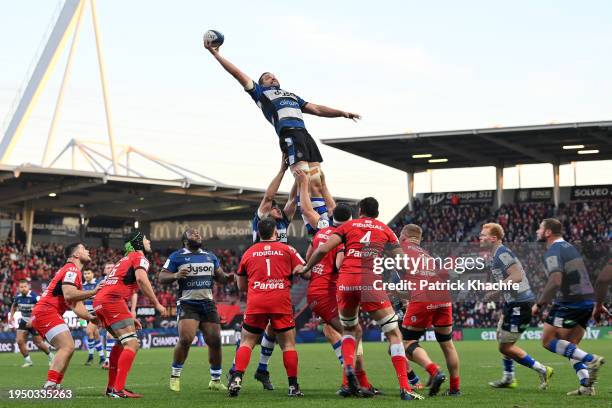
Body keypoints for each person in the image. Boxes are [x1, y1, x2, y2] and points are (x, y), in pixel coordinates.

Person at [204, 39, 359, 224]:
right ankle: (317, 227)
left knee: (318, 180)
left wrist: (341, 113)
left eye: (274, 75)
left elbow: (317, 109)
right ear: (262, 83)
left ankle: (333, 223)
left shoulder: (292, 96)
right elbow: (237, 73)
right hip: (290, 135)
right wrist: (216, 54)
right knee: (304, 180)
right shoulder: (260, 93)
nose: (273, 77)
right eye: (268, 77)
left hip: (305, 135)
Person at [298, 197, 424, 401]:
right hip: (370, 284)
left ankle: (349, 375)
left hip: (346, 283)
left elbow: (322, 249)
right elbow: (401, 262)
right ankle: (405, 387)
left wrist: (306, 267)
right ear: (377, 212)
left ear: (360, 210)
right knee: (393, 333)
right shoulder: (385, 229)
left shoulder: (348, 226)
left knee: (349, 331)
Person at [302, 203, 379, 397]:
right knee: (353, 331)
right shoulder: (342, 238)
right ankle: (348, 383)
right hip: (325, 294)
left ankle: (362, 382)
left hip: (318, 292)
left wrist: (310, 271)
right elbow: (339, 263)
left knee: (345, 331)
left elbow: (309, 256)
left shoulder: (322, 233)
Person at [237, 158, 298, 391]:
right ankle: (241, 369)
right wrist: (282, 170)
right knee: (253, 334)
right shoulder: (262, 221)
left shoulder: (283, 223)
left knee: (272, 329)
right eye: (274, 207)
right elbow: (268, 197)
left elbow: (293, 200)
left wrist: (299, 178)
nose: (276, 208)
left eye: (277, 209)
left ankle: (261, 369)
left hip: (278, 282)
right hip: (261, 279)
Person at [228, 217, 305, 397]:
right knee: (288, 345)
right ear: (275, 232)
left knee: (247, 342)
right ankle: (293, 386)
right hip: (281, 301)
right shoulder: (288, 249)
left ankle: (237, 378)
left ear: (259, 233)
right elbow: (305, 270)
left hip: (257, 302)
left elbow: (240, 286)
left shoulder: (249, 252)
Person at [532, 218, 605, 396]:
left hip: (570, 302)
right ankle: (586, 386)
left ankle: (591, 360)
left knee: (548, 341)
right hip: (587, 301)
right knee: (571, 346)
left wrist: (539, 304)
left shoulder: (553, 250)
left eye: (540, 228)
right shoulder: (570, 247)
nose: (537, 231)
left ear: (548, 232)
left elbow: (556, 280)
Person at [94, 231, 168, 398]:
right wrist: (156, 303)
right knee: (132, 344)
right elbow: (141, 280)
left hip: (101, 302)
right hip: (112, 301)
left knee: (121, 344)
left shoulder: (124, 260)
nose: (149, 241)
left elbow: (120, 286)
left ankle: (112, 388)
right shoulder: (139, 257)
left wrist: (128, 315)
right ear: (138, 243)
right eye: (145, 238)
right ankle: (118, 390)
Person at [479, 223, 553, 390]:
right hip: (511, 303)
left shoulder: (502, 253)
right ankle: (509, 378)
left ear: (494, 238)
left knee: (505, 346)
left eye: (483, 235)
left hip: (520, 303)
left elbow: (517, 276)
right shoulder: (495, 255)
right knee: (501, 337)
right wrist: (495, 294)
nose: (480, 238)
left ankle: (542, 369)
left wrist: (497, 288)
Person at [159, 228, 233, 392]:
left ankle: (215, 380)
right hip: (188, 303)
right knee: (186, 339)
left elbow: (220, 277)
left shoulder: (210, 256)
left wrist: (228, 277)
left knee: (215, 340)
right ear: (185, 240)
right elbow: (161, 277)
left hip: (208, 303)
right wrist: (176, 275)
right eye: (192, 234)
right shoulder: (176, 256)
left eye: (198, 233)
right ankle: (175, 376)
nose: (197, 235)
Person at [398, 224, 461, 397]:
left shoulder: (400, 249)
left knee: (404, 344)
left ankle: (434, 371)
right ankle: (455, 388)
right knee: (447, 344)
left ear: (403, 235)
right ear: (419, 239)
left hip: (423, 298)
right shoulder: (426, 254)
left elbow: (404, 281)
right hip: (443, 297)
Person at [31, 243, 99, 389]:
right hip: (46, 311)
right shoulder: (72, 269)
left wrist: (90, 317)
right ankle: (50, 386)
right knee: (67, 346)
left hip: (46, 312)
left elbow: (75, 304)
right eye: (83, 248)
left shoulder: (72, 271)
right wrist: (94, 292)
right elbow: (69, 294)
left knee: (69, 347)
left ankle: (55, 385)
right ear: (76, 255)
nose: (88, 250)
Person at [8, 279, 54, 367]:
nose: (23, 289)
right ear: (19, 288)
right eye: (21, 287)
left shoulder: (35, 297)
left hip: (35, 321)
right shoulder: (17, 297)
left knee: (38, 343)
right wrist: (11, 317)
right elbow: (14, 306)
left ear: (28, 287)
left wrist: (32, 319)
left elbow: (41, 308)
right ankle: (28, 361)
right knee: (19, 341)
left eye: (25, 286)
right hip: (24, 320)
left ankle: (51, 356)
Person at [82, 268, 105, 366]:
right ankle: (102, 357)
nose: (86, 275)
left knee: (88, 331)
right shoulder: (82, 286)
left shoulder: (98, 283)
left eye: (88, 273)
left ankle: (91, 356)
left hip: (96, 314)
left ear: (93, 274)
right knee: (95, 335)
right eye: (85, 274)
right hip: (87, 315)